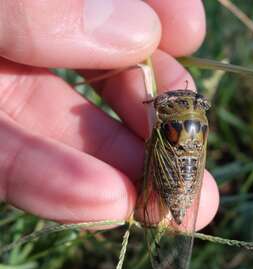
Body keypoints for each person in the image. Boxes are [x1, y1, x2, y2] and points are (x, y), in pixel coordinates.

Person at [0, 0, 219, 230]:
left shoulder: (163, 125)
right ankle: (174, 209)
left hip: (168, 178)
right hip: (185, 177)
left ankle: (164, 207)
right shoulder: (184, 124)